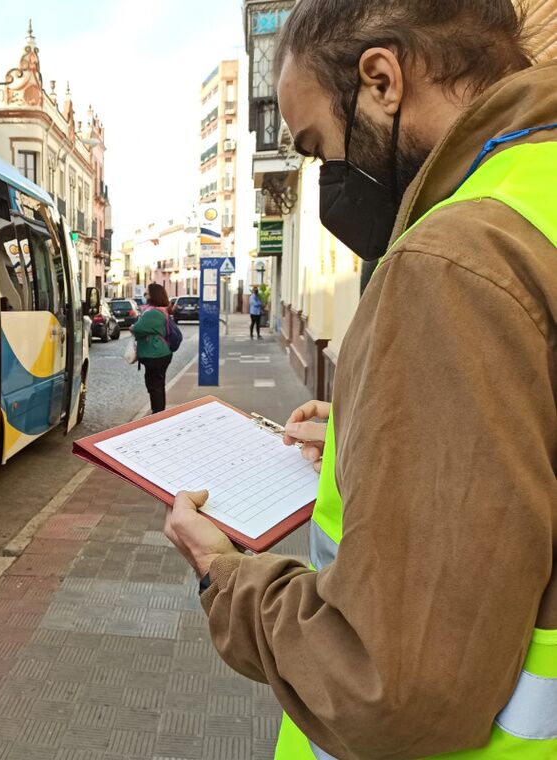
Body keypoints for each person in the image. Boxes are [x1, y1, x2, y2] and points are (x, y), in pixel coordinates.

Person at [160, 2, 557, 757]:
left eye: (318, 149)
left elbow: (390, 686)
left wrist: (226, 577)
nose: (325, 178)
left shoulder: (452, 261)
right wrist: (364, 430)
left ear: (381, 80)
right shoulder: (538, 195)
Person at [131, 283, 174, 414]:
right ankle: (158, 412)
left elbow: (137, 328)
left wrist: (133, 328)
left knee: (154, 386)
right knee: (158, 385)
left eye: (147, 293)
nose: (145, 295)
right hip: (161, 353)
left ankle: (158, 413)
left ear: (153, 295)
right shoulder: (160, 310)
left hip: (156, 355)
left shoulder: (153, 313)